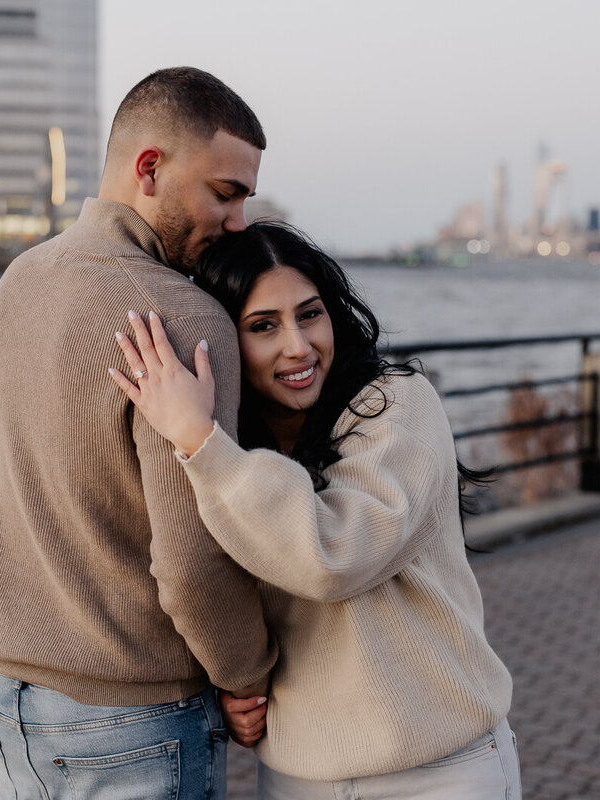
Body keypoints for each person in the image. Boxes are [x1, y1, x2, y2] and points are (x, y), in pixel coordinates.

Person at [109, 222, 520, 799]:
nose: (298, 346)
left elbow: (333, 555)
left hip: (439, 770)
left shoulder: (397, 406)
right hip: (296, 776)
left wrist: (199, 439)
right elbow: (201, 577)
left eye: (310, 314)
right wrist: (234, 684)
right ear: (224, 340)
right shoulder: (229, 444)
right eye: (263, 327)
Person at [0, 67, 277, 800]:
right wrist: (244, 675)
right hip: (130, 716)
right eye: (224, 193)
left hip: (5, 699)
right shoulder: (185, 319)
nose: (237, 221)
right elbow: (194, 561)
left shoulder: (18, 282)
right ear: (149, 169)